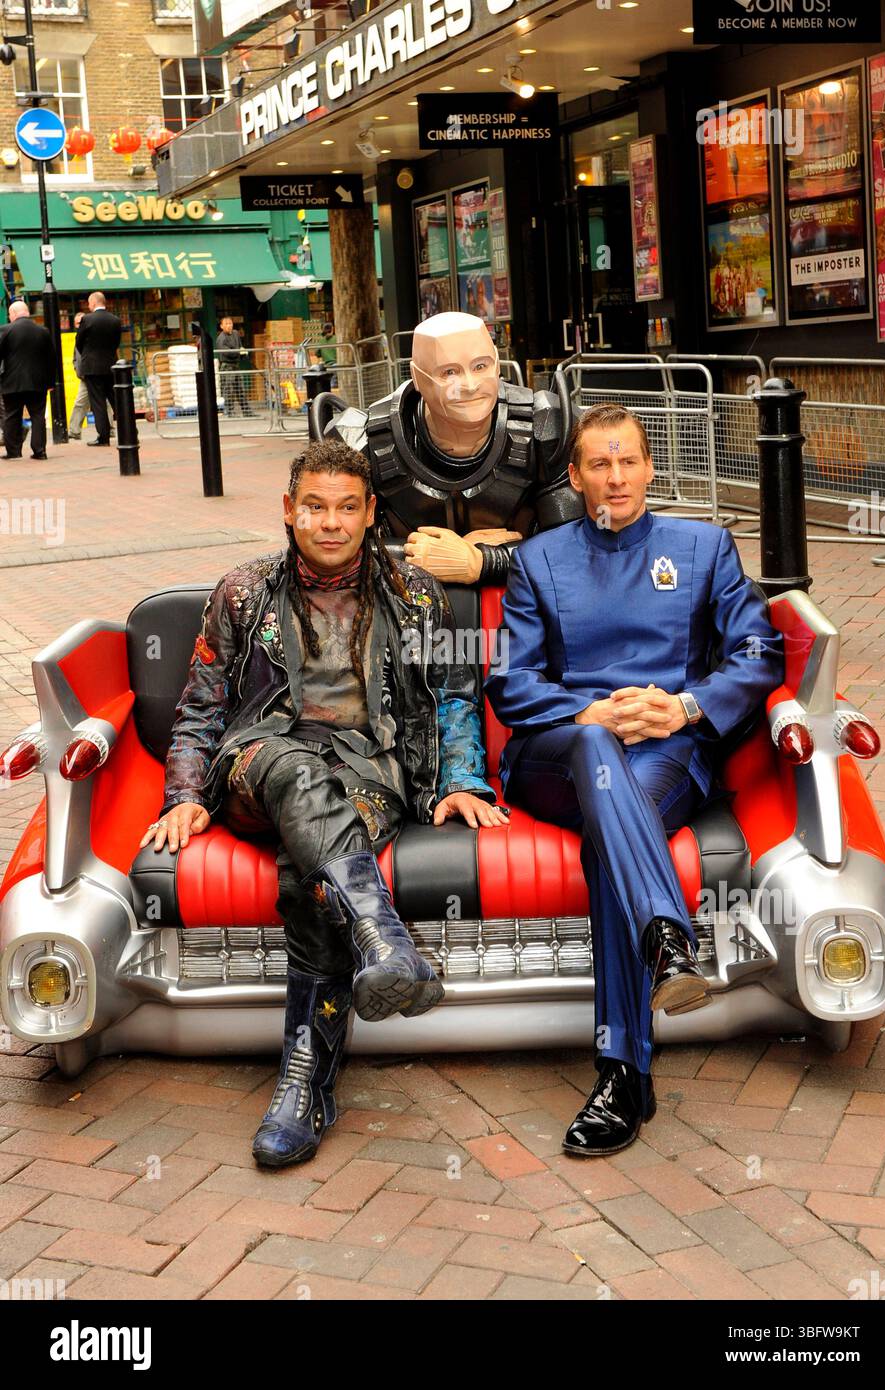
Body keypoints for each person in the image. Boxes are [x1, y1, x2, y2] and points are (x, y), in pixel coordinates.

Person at [140, 437, 506, 1168]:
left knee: (310, 874)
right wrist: (183, 794)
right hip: (256, 765)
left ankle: (306, 1081)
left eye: (347, 507)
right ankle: (385, 940)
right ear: (289, 510)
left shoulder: (417, 595)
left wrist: (463, 780)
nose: (331, 522)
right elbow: (201, 709)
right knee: (286, 762)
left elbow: (454, 696)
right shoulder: (243, 592)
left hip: (370, 779)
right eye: (315, 507)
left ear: (373, 513)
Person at [485, 403, 784, 1157]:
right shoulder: (539, 559)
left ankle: (623, 1073)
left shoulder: (704, 546)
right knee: (594, 754)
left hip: (668, 753)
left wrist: (682, 707)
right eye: (598, 464)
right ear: (576, 475)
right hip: (558, 751)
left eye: (628, 462)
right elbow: (509, 682)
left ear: (650, 467)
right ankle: (667, 938)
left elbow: (759, 652)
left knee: (609, 835)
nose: (614, 478)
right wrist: (591, 710)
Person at [325, 311, 581, 586]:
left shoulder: (545, 430)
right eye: (449, 372)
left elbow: (570, 551)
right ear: (418, 378)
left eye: (480, 366)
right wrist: (424, 555)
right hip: (403, 615)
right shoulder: (362, 444)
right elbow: (330, 550)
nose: (470, 386)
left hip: (519, 613)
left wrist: (480, 560)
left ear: (497, 364)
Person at [0, 300, 55, 461]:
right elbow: (51, 359)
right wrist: (51, 382)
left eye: (10, 314)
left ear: (14, 314)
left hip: (12, 381)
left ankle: (13, 451)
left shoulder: (5, 330)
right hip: (38, 382)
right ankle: (39, 451)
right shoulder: (43, 331)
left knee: (12, 415)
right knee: (38, 416)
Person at [74, 291, 122, 446]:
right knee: (116, 400)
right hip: (110, 365)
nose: (88, 306)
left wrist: (89, 355)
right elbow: (116, 343)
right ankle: (129, 430)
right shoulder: (115, 320)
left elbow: (79, 342)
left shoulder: (87, 320)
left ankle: (104, 437)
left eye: (89, 303)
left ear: (93, 303)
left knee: (98, 402)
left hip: (92, 367)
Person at [69, 311, 114, 441]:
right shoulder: (78, 337)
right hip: (84, 376)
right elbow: (75, 357)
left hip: (95, 373)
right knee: (80, 403)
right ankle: (74, 430)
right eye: (77, 323)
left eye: (80, 322)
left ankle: (109, 429)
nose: (79, 325)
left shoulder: (91, 337)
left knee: (104, 403)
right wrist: (76, 368)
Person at [215, 315, 252, 418]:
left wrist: (243, 352)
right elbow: (226, 352)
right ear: (221, 326)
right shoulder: (221, 338)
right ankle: (229, 411)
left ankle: (246, 411)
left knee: (240, 389)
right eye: (226, 324)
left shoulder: (236, 334)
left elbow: (239, 345)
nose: (229, 326)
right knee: (228, 389)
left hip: (236, 364)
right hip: (227, 366)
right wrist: (238, 352)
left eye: (230, 323)